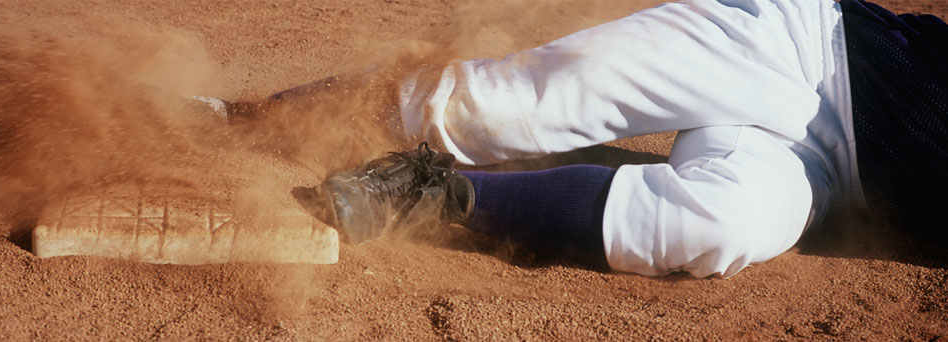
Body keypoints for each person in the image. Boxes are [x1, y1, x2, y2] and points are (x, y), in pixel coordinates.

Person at [229, 0, 948, 278]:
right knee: (499, 110)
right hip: (804, 49)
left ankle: (432, 192)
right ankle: (245, 118)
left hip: (816, 176)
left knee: (712, 228)